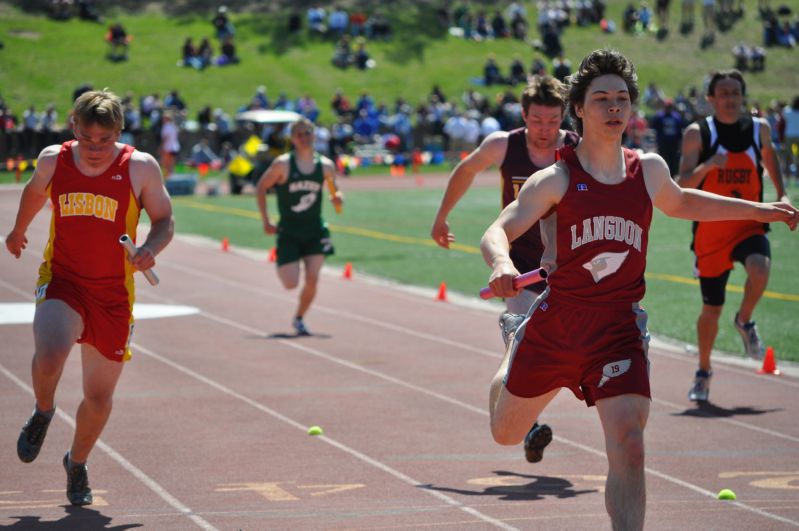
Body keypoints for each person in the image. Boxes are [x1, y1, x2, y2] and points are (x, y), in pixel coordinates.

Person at [480, 48, 797, 531]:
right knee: (506, 434)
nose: (614, 107)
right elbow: (498, 229)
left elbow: (683, 201)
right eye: (602, 98)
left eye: (622, 98)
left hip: (618, 327)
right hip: (559, 323)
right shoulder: (558, 179)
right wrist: (502, 261)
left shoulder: (646, 168)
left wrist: (760, 210)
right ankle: (513, 351)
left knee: (629, 442)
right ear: (580, 109)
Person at [5, 89, 174, 506]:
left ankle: (76, 463)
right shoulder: (53, 159)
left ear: (118, 131)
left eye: (104, 140)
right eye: (87, 139)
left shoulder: (139, 167)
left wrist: (152, 247)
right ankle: (44, 410)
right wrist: (19, 228)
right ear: (73, 126)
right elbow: (33, 191)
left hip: (114, 294)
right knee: (49, 355)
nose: (95, 149)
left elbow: (165, 219)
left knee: (98, 398)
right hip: (64, 278)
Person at [431, 75, 579, 466]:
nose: (544, 130)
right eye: (536, 120)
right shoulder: (504, 144)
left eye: (552, 121)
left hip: (564, 268)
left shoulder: (574, 148)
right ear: (524, 116)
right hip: (517, 268)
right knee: (522, 344)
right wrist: (442, 215)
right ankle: (527, 424)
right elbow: (466, 169)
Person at [677, 69, 791, 402]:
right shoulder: (698, 134)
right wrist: (709, 165)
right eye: (723, 93)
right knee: (711, 310)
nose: (730, 98)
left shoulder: (760, 129)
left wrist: (782, 196)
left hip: (748, 221)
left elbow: (771, 161)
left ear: (742, 97)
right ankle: (703, 370)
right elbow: (682, 185)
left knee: (760, 266)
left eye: (735, 93)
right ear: (711, 99)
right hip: (710, 232)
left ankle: (744, 320)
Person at [255, 118, 343, 336]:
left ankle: (299, 318)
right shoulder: (282, 164)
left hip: (315, 230)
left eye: (308, 133)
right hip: (289, 231)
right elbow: (261, 187)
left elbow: (333, 191)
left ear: (314, 135)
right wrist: (266, 220)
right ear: (293, 139)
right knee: (290, 283)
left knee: (313, 278)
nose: (304, 138)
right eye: (300, 134)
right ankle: (286, 261)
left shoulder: (326, 166)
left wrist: (337, 198)